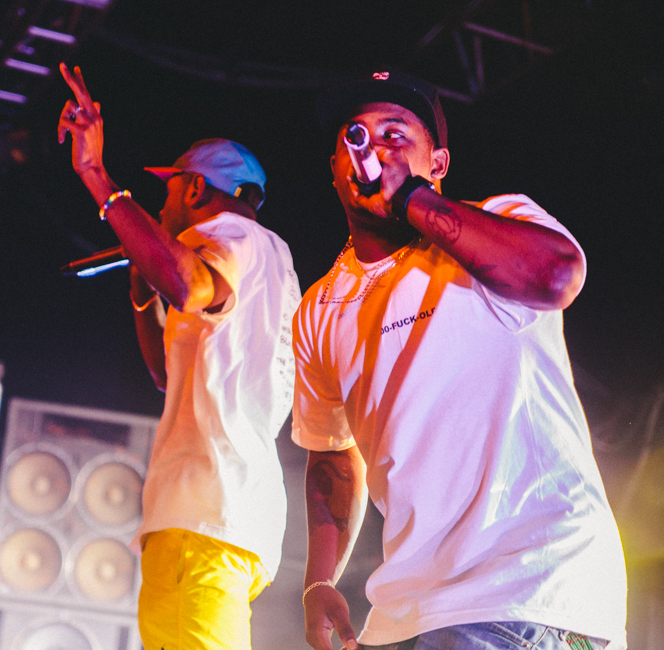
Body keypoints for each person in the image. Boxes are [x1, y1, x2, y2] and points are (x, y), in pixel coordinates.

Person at [292, 68, 627, 650]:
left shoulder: (494, 227)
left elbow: (556, 274)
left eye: (396, 135)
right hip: (404, 613)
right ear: (336, 169)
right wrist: (320, 578)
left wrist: (410, 199)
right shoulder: (320, 307)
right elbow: (332, 458)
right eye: (357, 135)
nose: (373, 148)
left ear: (438, 164)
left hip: (526, 590)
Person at [57, 63, 301, 650]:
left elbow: (189, 285)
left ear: (194, 189)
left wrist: (97, 176)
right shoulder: (231, 259)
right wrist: (144, 285)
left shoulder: (241, 241)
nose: (162, 208)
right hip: (188, 518)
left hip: (211, 515)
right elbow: (166, 376)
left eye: (167, 193)